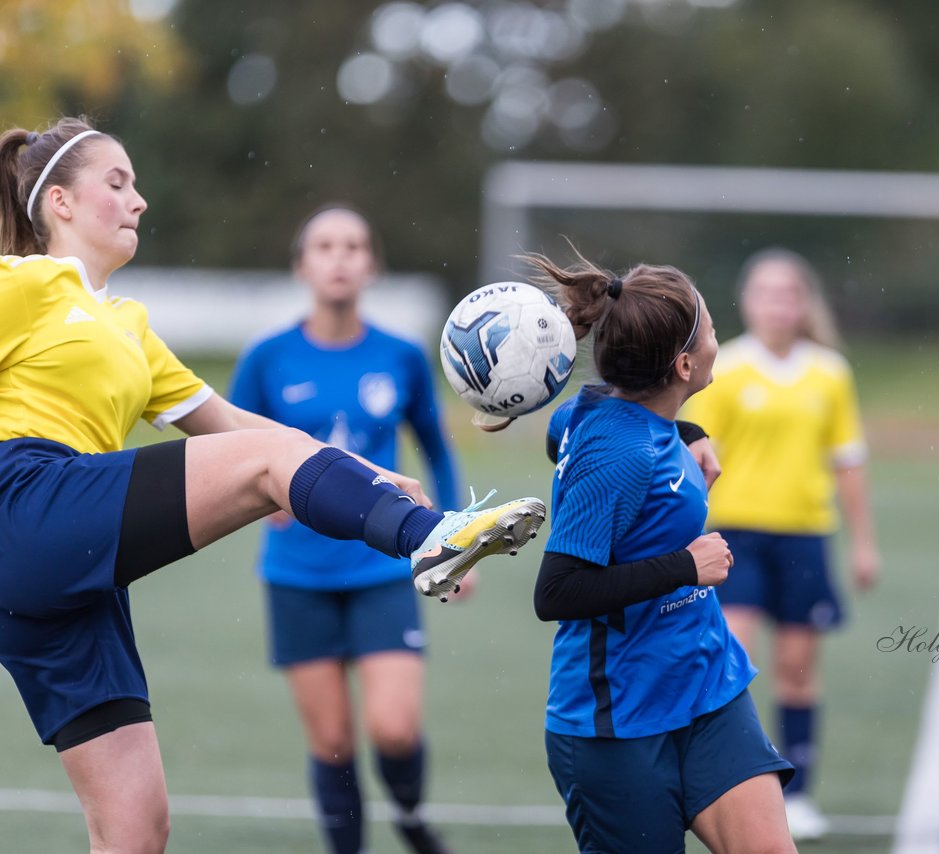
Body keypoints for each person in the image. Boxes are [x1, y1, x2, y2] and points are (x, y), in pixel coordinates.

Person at [0, 117, 543, 854]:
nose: (140, 201)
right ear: (59, 203)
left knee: (135, 828)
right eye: (118, 183)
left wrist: (372, 474)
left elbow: (240, 426)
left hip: (68, 575)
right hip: (27, 503)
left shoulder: (127, 325)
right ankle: (432, 542)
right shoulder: (25, 282)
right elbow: (264, 457)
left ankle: (424, 529)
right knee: (266, 468)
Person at [529, 250, 798, 854]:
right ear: (682, 364)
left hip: (707, 686)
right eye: (708, 326)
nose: (716, 335)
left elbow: (568, 425)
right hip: (617, 719)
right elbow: (557, 594)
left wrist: (684, 433)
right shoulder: (619, 455)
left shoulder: (614, 419)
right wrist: (686, 565)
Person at [229, 205, 461, 854]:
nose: (339, 257)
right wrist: (257, 494)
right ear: (303, 265)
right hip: (297, 574)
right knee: (331, 741)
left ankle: (411, 816)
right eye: (325, 245)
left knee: (393, 729)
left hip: (381, 568)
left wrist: (455, 538)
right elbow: (225, 443)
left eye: (354, 245)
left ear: (371, 265)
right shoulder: (267, 359)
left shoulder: (402, 356)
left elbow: (436, 449)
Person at [681, 247, 882, 841]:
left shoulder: (829, 372)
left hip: (805, 536)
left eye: (788, 294)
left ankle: (799, 793)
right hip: (736, 534)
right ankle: (731, 786)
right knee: (736, 662)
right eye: (766, 294)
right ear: (747, 303)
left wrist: (863, 543)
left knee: (797, 669)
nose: (778, 305)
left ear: (804, 303)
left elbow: (848, 462)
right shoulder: (726, 368)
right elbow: (692, 452)